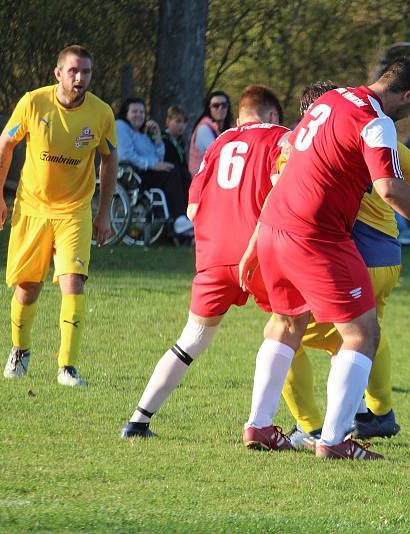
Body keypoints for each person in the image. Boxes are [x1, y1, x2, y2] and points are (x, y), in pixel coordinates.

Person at [238, 56, 410, 461]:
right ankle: (333, 440)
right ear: (407, 95)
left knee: (286, 323)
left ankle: (258, 425)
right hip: (317, 235)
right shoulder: (377, 122)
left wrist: (255, 243)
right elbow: (391, 190)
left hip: (275, 224)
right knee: (364, 334)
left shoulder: (331, 100)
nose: (409, 117)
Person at [120, 85, 288, 439]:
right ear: (272, 115)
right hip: (258, 252)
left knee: (191, 340)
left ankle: (138, 420)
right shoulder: (280, 138)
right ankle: (282, 424)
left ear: (239, 113)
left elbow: (193, 208)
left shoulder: (219, 143)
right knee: (291, 326)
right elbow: (282, 192)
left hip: (212, 255)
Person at [0, 44, 118, 387]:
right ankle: (20, 350)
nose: (80, 78)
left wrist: (104, 213)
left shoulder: (101, 114)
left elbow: (110, 159)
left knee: (73, 281)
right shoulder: (33, 102)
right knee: (28, 288)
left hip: (74, 210)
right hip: (31, 207)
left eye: (86, 72)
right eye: (73, 71)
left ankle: (68, 368)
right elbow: (5, 144)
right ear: (58, 73)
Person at [115, 98, 193, 236]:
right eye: (134, 111)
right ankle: (179, 219)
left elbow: (159, 157)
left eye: (142, 112)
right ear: (125, 113)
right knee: (173, 172)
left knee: (182, 173)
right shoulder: (120, 126)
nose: (139, 114)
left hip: (149, 171)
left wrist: (157, 138)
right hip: (134, 173)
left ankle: (187, 217)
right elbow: (125, 155)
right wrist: (153, 165)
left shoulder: (142, 134)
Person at [188, 90, 233, 175]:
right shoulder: (204, 130)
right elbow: (219, 156)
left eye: (224, 105)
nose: (220, 108)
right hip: (202, 182)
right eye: (216, 106)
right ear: (209, 109)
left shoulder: (227, 129)